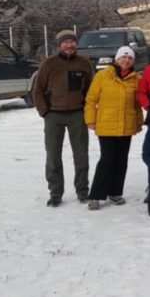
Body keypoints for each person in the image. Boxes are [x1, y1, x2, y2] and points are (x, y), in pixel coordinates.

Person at [34, 29, 93, 207]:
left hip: (77, 114)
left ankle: (83, 191)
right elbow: (37, 90)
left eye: (72, 42)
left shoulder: (84, 63)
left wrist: (87, 110)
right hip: (54, 115)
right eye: (65, 42)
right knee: (53, 156)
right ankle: (55, 193)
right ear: (59, 45)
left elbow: (91, 90)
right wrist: (45, 111)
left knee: (81, 155)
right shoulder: (49, 63)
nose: (69, 45)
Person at [84, 46, 144, 211]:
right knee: (107, 159)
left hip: (126, 125)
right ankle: (96, 195)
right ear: (116, 59)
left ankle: (115, 192)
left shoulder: (135, 79)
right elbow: (91, 100)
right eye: (123, 57)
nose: (126, 60)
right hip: (107, 125)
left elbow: (137, 105)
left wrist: (139, 122)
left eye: (130, 58)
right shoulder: (103, 76)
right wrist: (90, 119)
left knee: (121, 160)